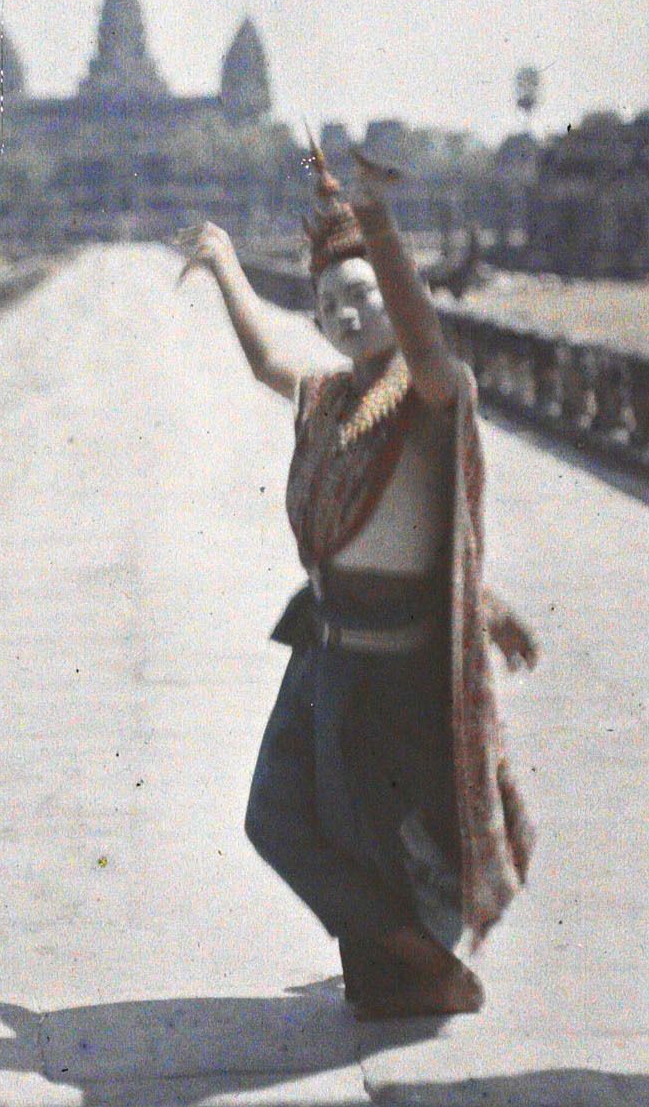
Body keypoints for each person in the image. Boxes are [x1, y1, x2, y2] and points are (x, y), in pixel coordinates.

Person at [179, 143, 537, 1017]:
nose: (343, 314)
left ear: (394, 292)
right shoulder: (331, 397)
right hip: (322, 650)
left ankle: (423, 966)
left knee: (374, 845)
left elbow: (424, 340)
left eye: (362, 296)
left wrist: (375, 222)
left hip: (392, 667)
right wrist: (223, 263)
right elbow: (266, 360)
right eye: (328, 305)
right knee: (272, 818)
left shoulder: (430, 393)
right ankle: (418, 960)